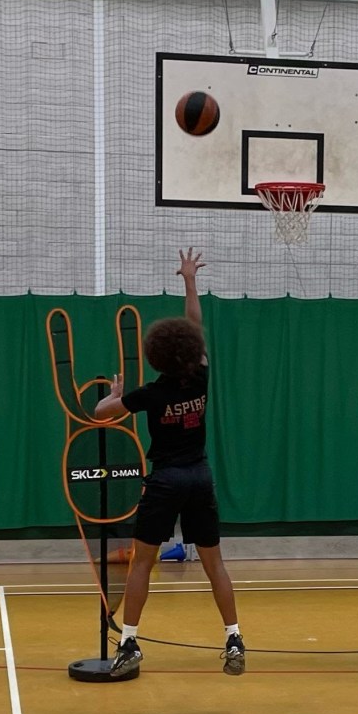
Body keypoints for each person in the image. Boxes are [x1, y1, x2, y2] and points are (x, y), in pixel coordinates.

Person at [94, 248, 245, 677]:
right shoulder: (201, 376)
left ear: (154, 355)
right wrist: (190, 281)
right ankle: (234, 637)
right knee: (215, 564)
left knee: (143, 562)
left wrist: (115, 393)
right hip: (200, 477)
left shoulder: (150, 394)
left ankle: (129, 643)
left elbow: (101, 412)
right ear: (192, 352)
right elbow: (194, 324)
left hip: (165, 481)